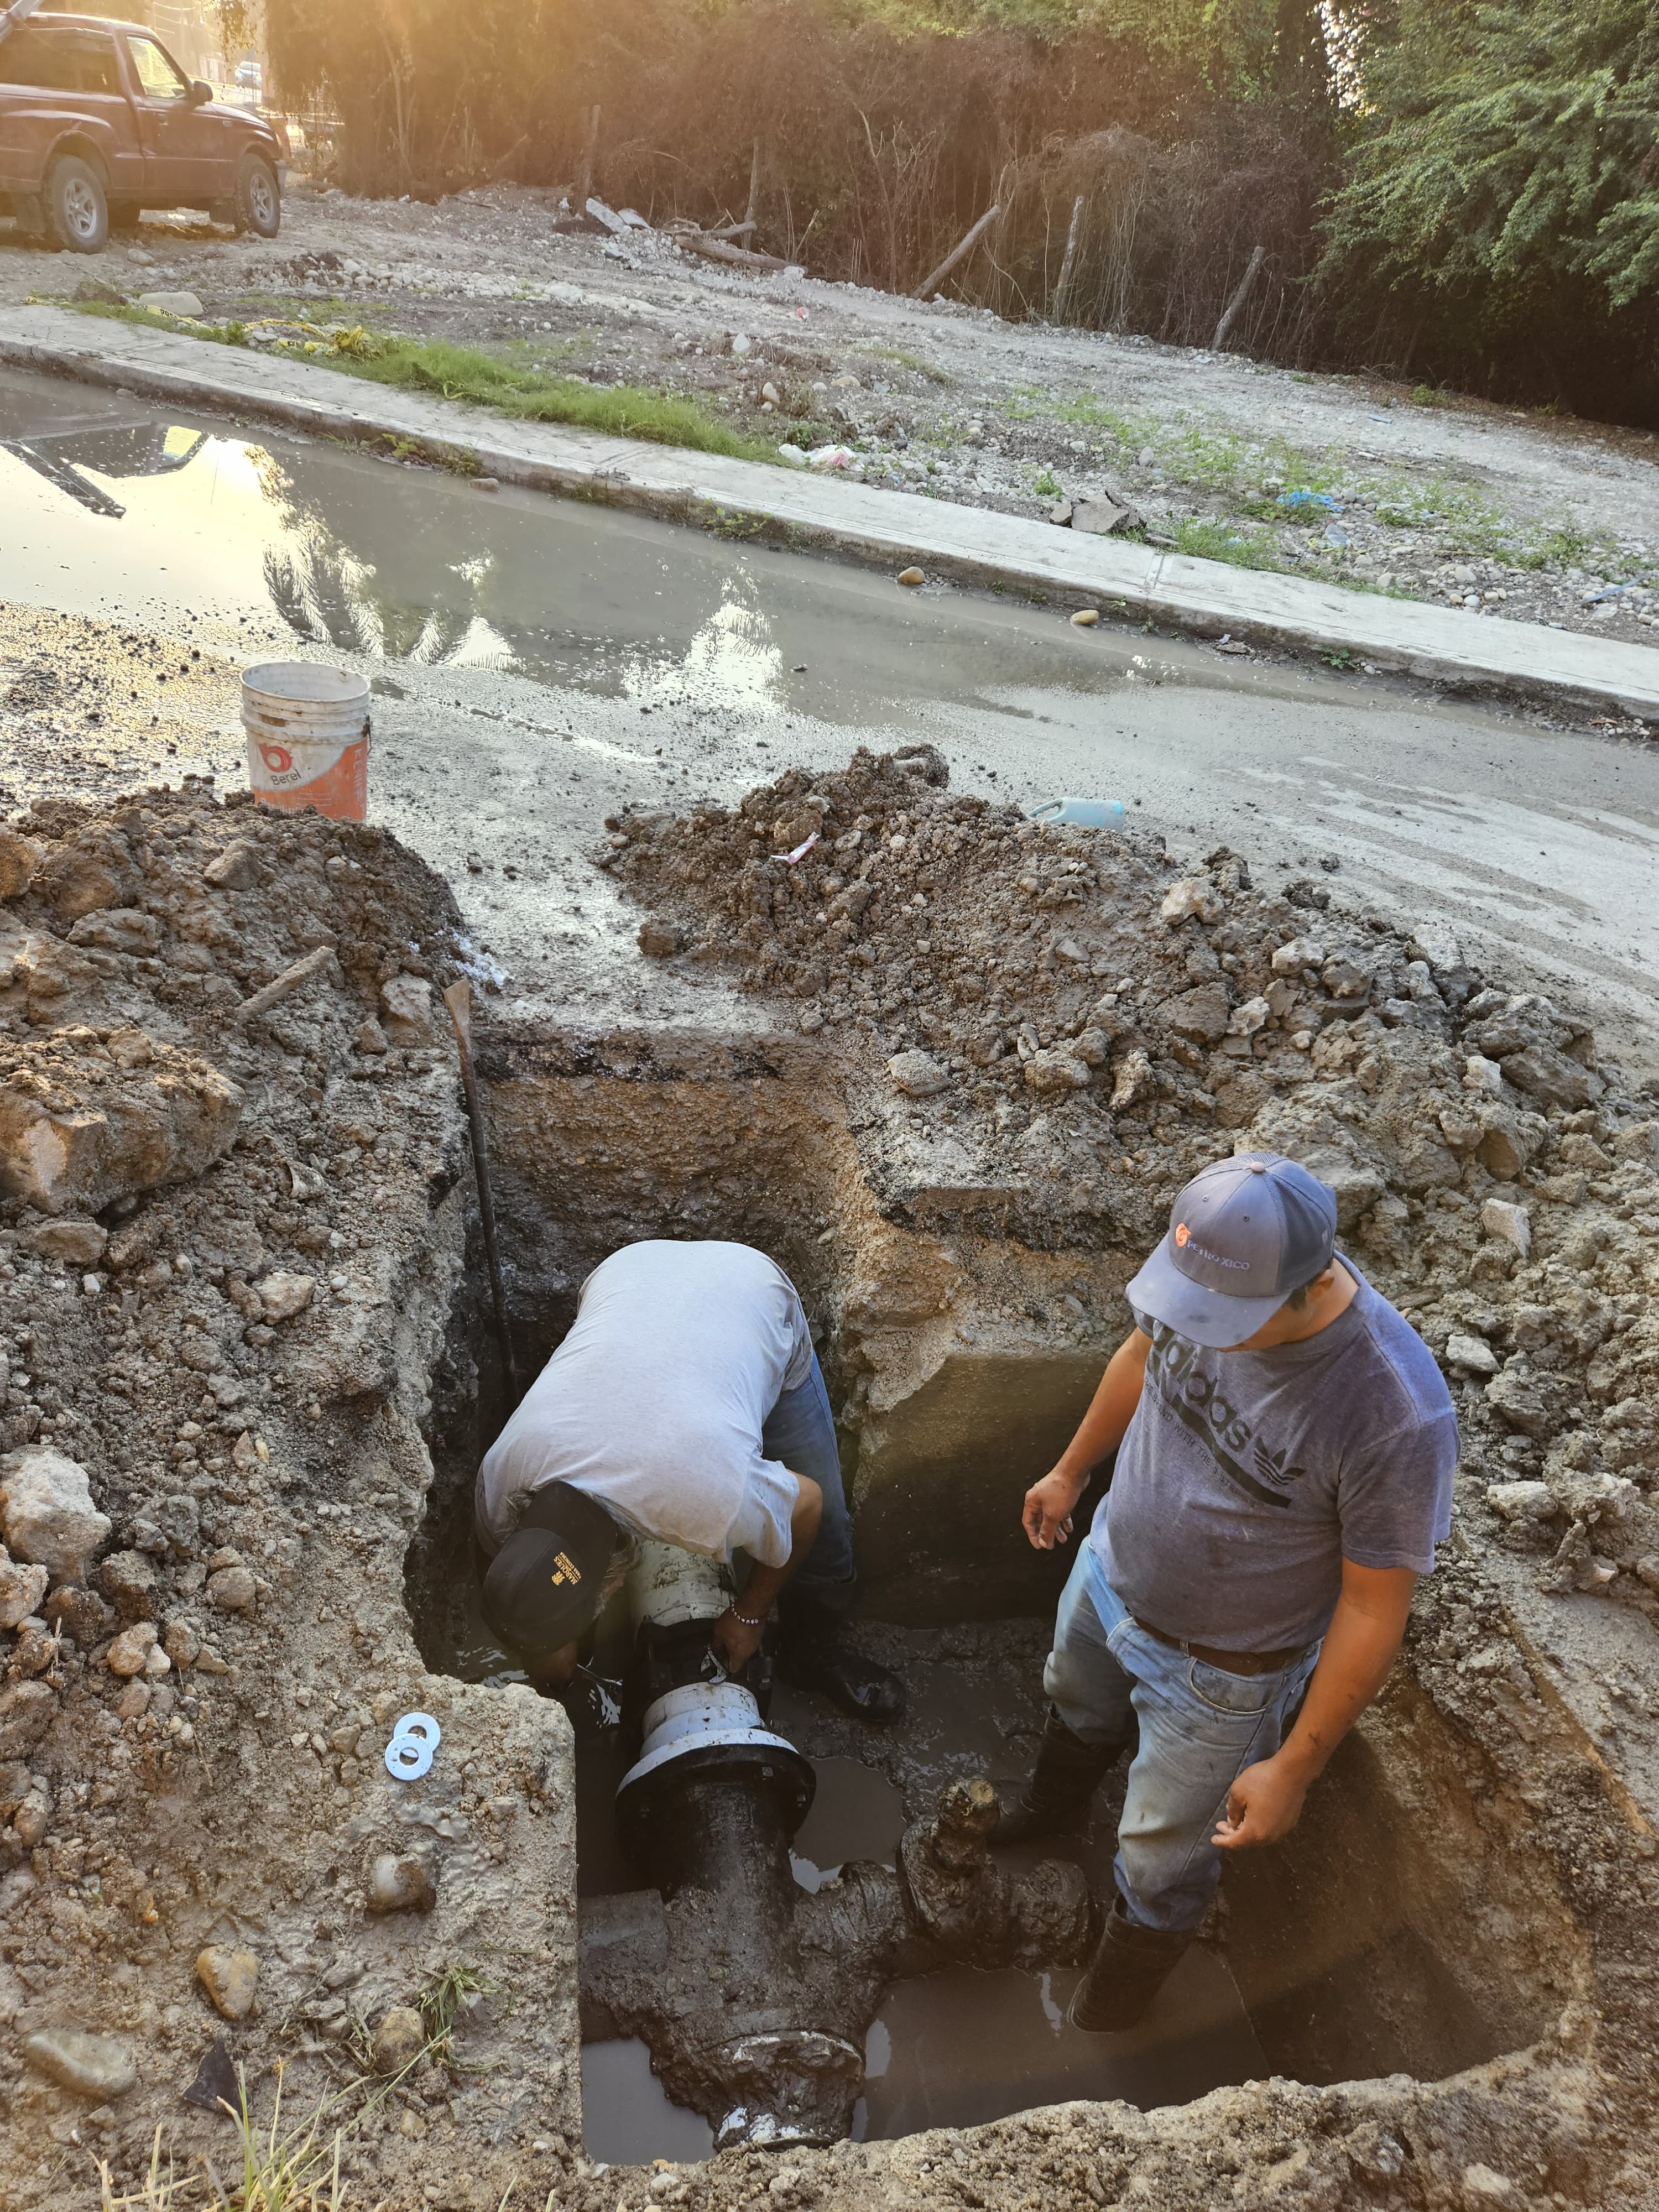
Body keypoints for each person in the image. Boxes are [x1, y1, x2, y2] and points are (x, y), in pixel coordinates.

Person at [1000, 1151, 1457, 2032]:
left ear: (1310, 1285)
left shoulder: (1392, 1413)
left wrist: (1294, 1766)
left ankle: (1108, 2015)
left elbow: (1372, 1606)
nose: (1199, 1331)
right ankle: (1045, 1815)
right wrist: (1069, 1472)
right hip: (1108, 1574)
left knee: (1162, 1856)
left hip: (1219, 1674)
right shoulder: (1203, 1270)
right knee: (1074, 1700)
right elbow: (1139, 1353)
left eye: (1224, 1323)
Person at [473, 1238, 904, 1721]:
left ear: (613, 1584)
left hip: (747, 1291)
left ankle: (814, 1651)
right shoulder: (499, 1484)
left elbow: (807, 1505)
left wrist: (750, 1612)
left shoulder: (706, 1497)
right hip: (628, 1277)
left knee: (823, 1527)